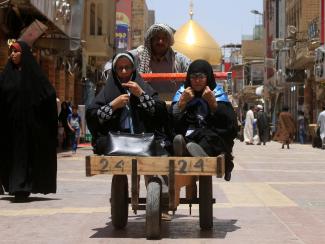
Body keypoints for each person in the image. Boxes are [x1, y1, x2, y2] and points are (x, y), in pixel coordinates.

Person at [0, 41, 57, 202]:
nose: (12, 55)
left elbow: (49, 94)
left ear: (23, 54)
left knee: (26, 157)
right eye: (11, 52)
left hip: (30, 127)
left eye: (15, 52)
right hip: (11, 126)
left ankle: (22, 187)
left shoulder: (34, 75)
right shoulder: (7, 74)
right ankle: (14, 185)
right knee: (12, 156)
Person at [171, 59, 237, 183]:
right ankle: (189, 149)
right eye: (193, 77)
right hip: (189, 134)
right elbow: (171, 122)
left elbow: (230, 126)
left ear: (208, 77)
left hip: (209, 136)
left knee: (209, 137)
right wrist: (181, 104)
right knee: (179, 138)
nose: (197, 81)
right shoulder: (182, 93)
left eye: (201, 77)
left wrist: (213, 105)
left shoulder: (217, 94)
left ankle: (197, 150)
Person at [103, 23, 191, 99]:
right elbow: (109, 66)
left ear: (169, 41)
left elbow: (195, 70)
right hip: (143, 105)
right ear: (150, 40)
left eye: (164, 38)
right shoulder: (138, 56)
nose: (160, 41)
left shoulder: (178, 60)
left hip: (171, 107)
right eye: (157, 38)